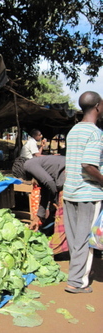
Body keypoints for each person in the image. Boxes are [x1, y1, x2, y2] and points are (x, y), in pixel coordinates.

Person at [63, 91, 103, 294]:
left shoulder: (74, 131)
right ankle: (77, 281)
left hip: (70, 192)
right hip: (88, 193)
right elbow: (88, 164)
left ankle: (75, 275)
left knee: (74, 238)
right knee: (86, 239)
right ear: (97, 106)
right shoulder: (95, 133)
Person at [24, 155, 66, 231]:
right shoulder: (40, 168)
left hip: (65, 171)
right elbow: (45, 191)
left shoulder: (28, 164)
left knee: (61, 214)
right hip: (63, 172)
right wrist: (39, 217)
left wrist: (55, 200)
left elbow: (49, 182)